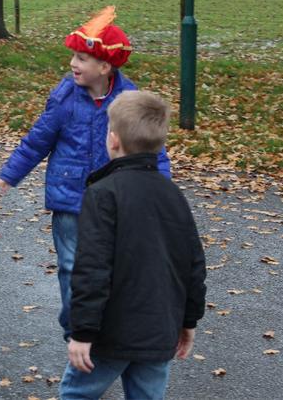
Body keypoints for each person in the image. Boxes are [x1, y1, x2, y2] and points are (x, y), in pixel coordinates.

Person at [0, 6, 170, 339]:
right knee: (72, 266)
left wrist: (160, 189)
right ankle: (76, 328)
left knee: (109, 266)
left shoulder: (129, 101)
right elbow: (38, 140)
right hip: (70, 198)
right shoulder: (64, 98)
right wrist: (8, 175)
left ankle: (100, 322)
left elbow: (152, 149)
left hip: (114, 199)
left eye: (81, 59)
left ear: (104, 66)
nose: (73, 63)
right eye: (73, 56)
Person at [60, 90, 207, 400]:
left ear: (113, 140)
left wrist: (82, 332)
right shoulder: (173, 195)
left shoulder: (104, 193)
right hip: (159, 331)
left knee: (77, 395)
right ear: (160, 144)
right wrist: (188, 320)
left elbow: (92, 268)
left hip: (111, 334)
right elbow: (193, 264)